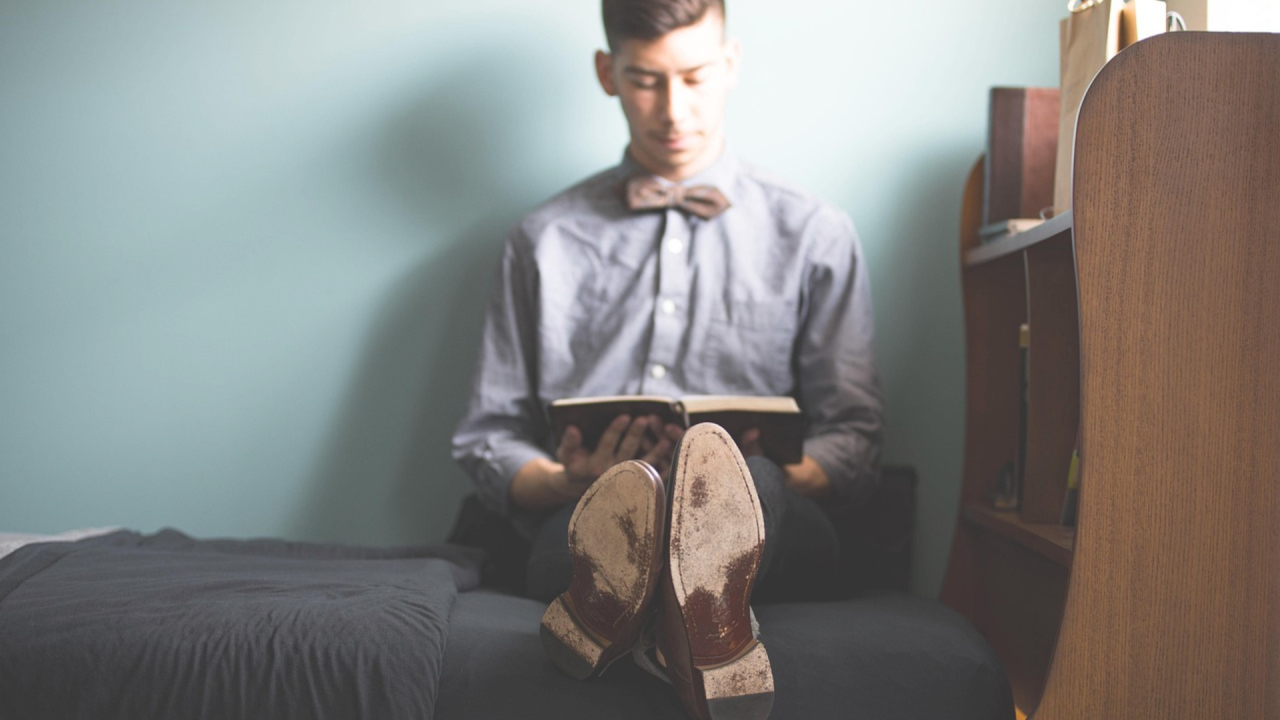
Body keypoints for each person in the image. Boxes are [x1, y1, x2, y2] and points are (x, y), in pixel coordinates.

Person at [452, 0, 882, 716]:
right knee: (604, 523)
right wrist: (566, 478)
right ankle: (697, 637)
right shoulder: (541, 240)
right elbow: (487, 437)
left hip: (771, 516)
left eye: (695, 76)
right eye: (647, 80)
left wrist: (759, 471)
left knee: (740, 484)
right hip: (589, 510)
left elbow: (856, 440)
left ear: (731, 64)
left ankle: (623, 617)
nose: (674, 110)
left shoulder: (815, 232)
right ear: (607, 73)